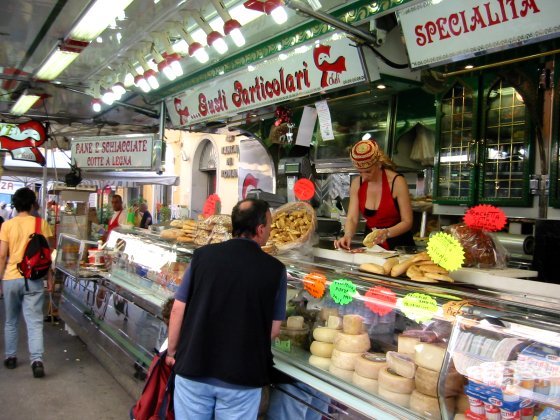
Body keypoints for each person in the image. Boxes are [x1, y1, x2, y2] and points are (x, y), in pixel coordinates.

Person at [166, 198, 287, 419]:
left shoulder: (202, 256)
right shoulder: (276, 269)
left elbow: (177, 310)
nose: (270, 230)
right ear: (260, 229)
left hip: (193, 368)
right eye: (269, 225)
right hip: (242, 378)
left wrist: (172, 352)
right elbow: (273, 330)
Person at [0, 187, 54, 378]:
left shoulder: (7, 225)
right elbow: (47, 256)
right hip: (34, 279)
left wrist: (0, 280)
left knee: (11, 320)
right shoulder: (41, 224)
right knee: (34, 322)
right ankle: (37, 360)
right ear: (32, 204)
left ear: (15, 204)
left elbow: (2, 255)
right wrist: (49, 278)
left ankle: (11, 357)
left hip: (11, 278)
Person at [334, 139, 415, 251]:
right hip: (372, 247)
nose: (364, 176)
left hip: (400, 246)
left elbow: (407, 221)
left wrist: (386, 233)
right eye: (360, 172)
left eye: (368, 171)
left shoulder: (397, 182)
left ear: (378, 164)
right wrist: (347, 235)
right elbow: (352, 218)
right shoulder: (357, 184)